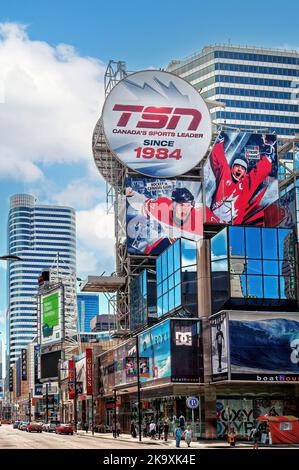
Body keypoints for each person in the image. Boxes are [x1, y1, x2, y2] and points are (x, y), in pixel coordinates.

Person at [206, 132, 276, 225]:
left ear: (245, 173)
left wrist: (268, 158)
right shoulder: (225, 176)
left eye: (242, 168)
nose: (239, 169)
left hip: (234, 227)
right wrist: (218, 143)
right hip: (213, 222)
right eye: (237, 166)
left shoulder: (245, 186)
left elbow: (257, 174)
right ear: (232, 168)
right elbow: (221, 163)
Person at [126, 186, 203, 254]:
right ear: (173, 205)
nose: (185, 209)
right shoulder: (161, 208)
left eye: (188, 205)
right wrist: (131, 195)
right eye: (181, 205)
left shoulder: (200, 216)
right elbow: (142, 203)